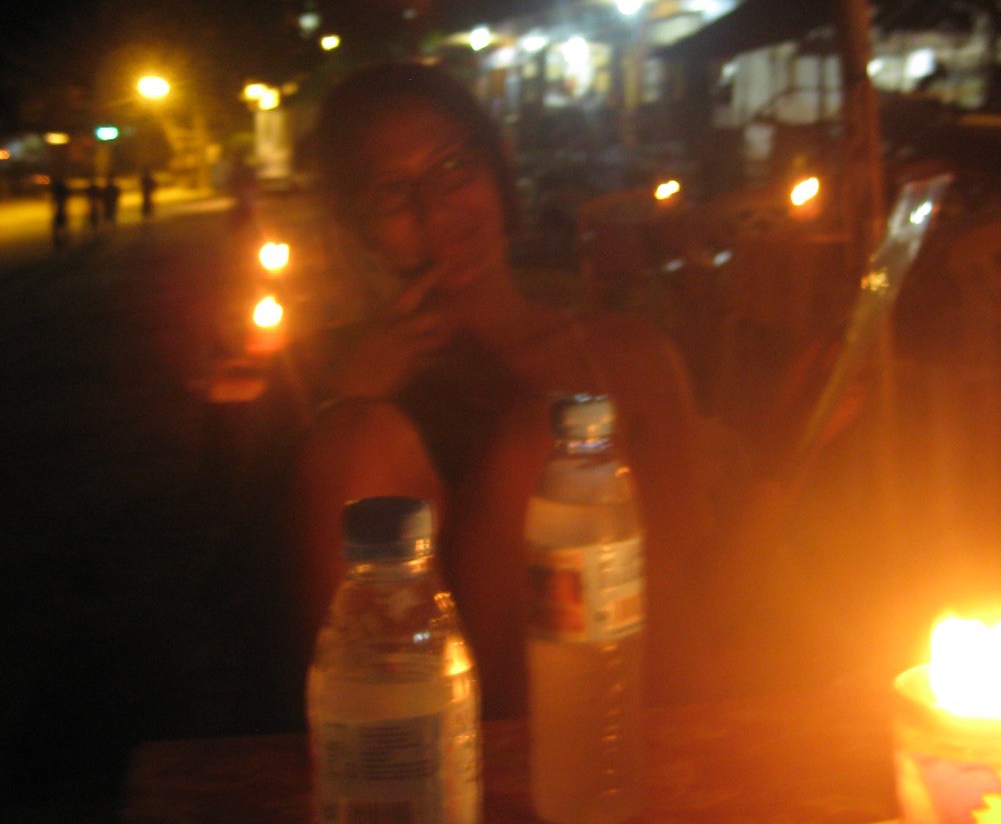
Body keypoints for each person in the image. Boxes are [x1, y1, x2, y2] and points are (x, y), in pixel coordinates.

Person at [290, 62, 717, 718]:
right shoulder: (325, 379)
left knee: (548, 446)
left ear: (498, 167)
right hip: (408, 739)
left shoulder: (623, 356)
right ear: (355, 229)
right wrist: (349, 394)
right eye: (391, 193)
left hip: (594, 728)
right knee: (357, 441)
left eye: (453, 167)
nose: (435, 208)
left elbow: (688, 579)